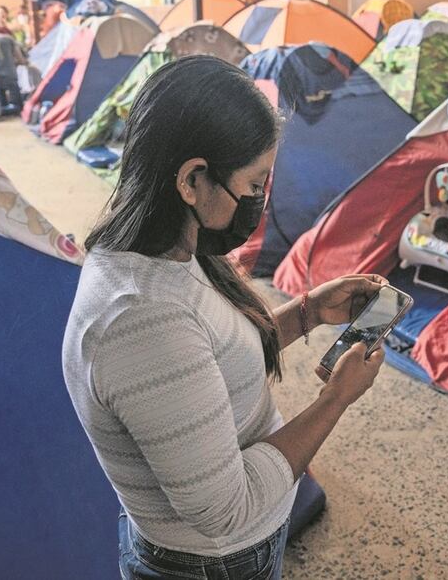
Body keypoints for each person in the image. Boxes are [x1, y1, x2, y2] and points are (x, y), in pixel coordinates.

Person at [63, 56, 385, 580]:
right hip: (214, 561)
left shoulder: (165, 250)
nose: (260, 200)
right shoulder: (141, 323)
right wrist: (337, 398)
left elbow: (211, 354)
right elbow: (227, 510)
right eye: (254, 185)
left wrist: (306, 313)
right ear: (192, 179)